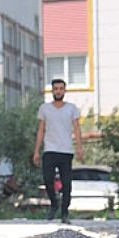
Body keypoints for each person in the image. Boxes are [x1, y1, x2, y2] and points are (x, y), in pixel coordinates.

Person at [32, 78, 84, 224]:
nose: (58, 91)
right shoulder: (44, 108)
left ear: (65, 90)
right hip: (49, 150)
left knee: (66, 183)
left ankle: (65, 212)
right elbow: (41, 130)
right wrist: (36, 151)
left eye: (61, 88)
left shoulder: (72, 108)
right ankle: (54, 204)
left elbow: (77, 129)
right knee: (48, 179)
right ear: (52, 90)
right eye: (56, 88)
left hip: (66, 151)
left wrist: (80, 148)